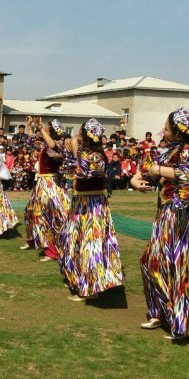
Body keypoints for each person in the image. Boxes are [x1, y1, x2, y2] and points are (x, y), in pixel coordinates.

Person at [130, 107, 189, 342]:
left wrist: (159, 170)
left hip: (187, 217)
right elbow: (148, 170)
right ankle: (161, 313)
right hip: (167, 216)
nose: (162, 131)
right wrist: (136, 179)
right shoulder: (169, 151)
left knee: (185, 269)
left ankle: (185, 325)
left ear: (177, 132)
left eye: (166, 128)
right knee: (152, 263)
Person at [44, 118, 123, 300]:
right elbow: (64, 161)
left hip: (92, 207)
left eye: (80, 133)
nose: (77, 136)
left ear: (86, 136)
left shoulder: (95, 156)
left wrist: (72, 152)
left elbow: (76, 171)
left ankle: (90, 288)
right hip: (81, 204)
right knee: (69, 240)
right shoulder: (86, 153)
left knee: (90, 245)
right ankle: (79, 277)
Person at [21, 116, 70, 262]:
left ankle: (52, 250)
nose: (44, 129)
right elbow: (31, 141)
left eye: (47, 128)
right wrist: (30, 126)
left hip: (50, 184)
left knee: (48, 216)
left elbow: (53, 146)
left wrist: (40, 128)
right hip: (42, 183)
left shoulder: (58, 145)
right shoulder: (45, 145)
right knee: (30, 211)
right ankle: (32, 239)